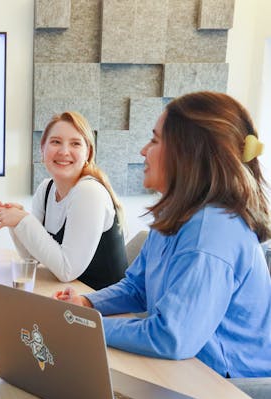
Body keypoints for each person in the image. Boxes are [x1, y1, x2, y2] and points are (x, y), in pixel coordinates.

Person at [55, 91, 271, 378]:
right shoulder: (178, 216)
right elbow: (137, 288)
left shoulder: (211, 232)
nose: (144, 151)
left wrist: (83, 323)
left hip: (230, 391)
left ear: (187, 153)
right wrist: (87, 304)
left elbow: (170, 337)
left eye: (155, 140)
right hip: (191, 369)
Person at [0, 111, 127, 289]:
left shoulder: (89, 192)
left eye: (75, 144)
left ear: (88, 153)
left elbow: (66, 271)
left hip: (103, 310)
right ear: (42, 149)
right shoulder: (46, 189)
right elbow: (32, 259)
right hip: (69, 297)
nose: (64, 151)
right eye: (56, 142)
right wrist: (16, 223)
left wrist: (24, 220)